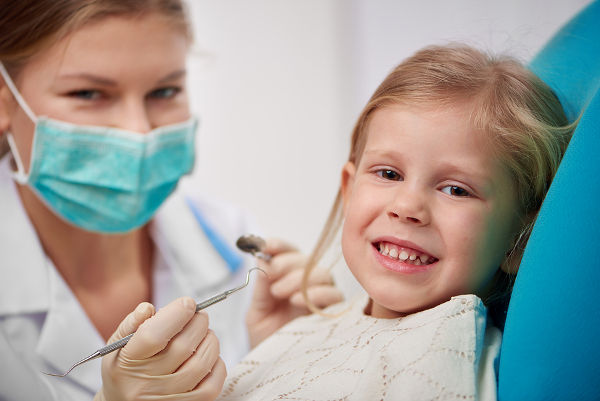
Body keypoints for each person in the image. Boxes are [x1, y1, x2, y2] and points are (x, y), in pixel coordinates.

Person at [0, 1, 342, 400]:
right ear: (5, 100)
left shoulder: (234, 246)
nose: (139, 131)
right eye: (89, 93)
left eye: (164, 91)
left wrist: (281, 368)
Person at [216, 45, 574, 400]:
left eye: (456, 189)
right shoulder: (303, 329)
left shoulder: (443, 358)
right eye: (388, 173)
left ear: (519, 242)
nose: (407, 206)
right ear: (349, 190)